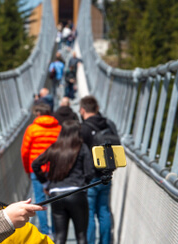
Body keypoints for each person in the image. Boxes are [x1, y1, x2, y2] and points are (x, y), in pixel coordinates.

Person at [31, 120, 94, 244]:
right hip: (77, 193)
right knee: (81, 236)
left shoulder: (55, 147)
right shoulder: (82, 147)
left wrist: (45, 183)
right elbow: (90, 171)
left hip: (56, 194)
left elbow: (35, 164)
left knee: (60, 236)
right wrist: (83, 184)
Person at [78, 96, 116, 244]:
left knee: (89, 213)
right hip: (106, 174)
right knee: (104, 211)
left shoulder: (83, 128)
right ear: (97, 108)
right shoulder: (108, 124)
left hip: (90, 177)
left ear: (82, 110)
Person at [20, 103, 62, 235]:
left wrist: (28, 170)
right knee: (55, 199)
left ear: (38, 114)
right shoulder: (59, 129)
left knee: (40, 201)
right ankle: (56, 231)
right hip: (55, 169)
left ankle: (45, 232)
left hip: (37, 170)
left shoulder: (32, 129)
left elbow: (25, 152)